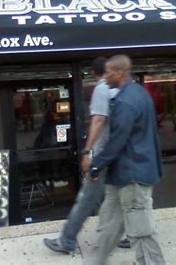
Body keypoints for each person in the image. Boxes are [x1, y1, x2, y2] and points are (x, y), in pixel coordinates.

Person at [87, 54, 166, 265]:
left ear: (119, 72)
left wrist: (95, 165)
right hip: (122, 175)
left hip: (132, 176)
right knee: (109, 227)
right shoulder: (139, 94)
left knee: (141, 231)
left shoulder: (126, 101)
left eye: (108, 73)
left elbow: (117, 140)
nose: (104, 78)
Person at [43, 57, 126, 254]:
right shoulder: (122, 89)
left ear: (94, 72)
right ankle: (128, 235)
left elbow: (98, 120)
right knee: (119, 198)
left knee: (87, 198)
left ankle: (67, 241)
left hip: (102, 156)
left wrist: (88, 151)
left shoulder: (102, 88)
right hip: (119, 155)